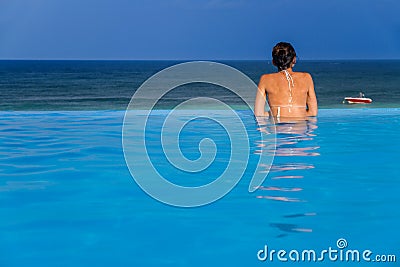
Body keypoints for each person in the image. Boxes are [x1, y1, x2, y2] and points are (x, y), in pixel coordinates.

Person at [254, 42, 318, 119]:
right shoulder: (306, 78)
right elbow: (313, 112)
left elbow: (259, 114)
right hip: (300, 128)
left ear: (273, 62)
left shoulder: (265, 79)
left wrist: (276, 113)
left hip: (277, 127)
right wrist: (296, 114)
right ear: (294, 60)